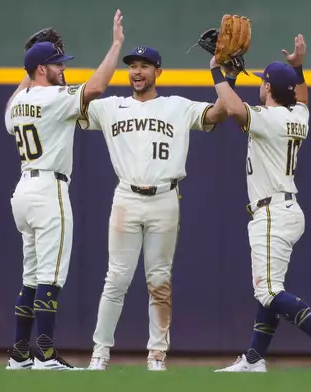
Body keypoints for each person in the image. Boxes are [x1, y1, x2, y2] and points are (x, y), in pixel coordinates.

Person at [78, 46, 235, 371]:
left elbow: (218, 114)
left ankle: (157, 355)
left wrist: (226, 75)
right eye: (133, 66)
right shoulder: (110, 108)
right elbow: (77, 105)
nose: (137, 71)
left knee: (159, 280)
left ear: (158, 72)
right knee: (116, 279)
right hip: (126, 197)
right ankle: (100, 352)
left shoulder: (176, 106)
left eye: (144, 66)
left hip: (165, 198)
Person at [211, 34, 311, 373]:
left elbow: (231, 108)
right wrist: (298, 68)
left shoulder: (269, 119)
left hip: (272, 211)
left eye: (263, 82)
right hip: (285, 208)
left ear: (270, 88)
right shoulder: (297, 118)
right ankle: (254, 358)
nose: (260, 85)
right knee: (272, 290)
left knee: (268, 291)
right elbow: (301, 98)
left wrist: (217, 71)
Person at [3, 10, 125, 371]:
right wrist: (116, 44)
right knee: (50, 276)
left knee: (30, 275)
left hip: (23, 191)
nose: (62, 69)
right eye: (55, 64)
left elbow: (11, 109)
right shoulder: (53, 98)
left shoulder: (20, 103)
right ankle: (44, 352)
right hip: (48, 190)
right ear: (42, 70)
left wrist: (27, 72)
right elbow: (97, 87)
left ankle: (19, 353)